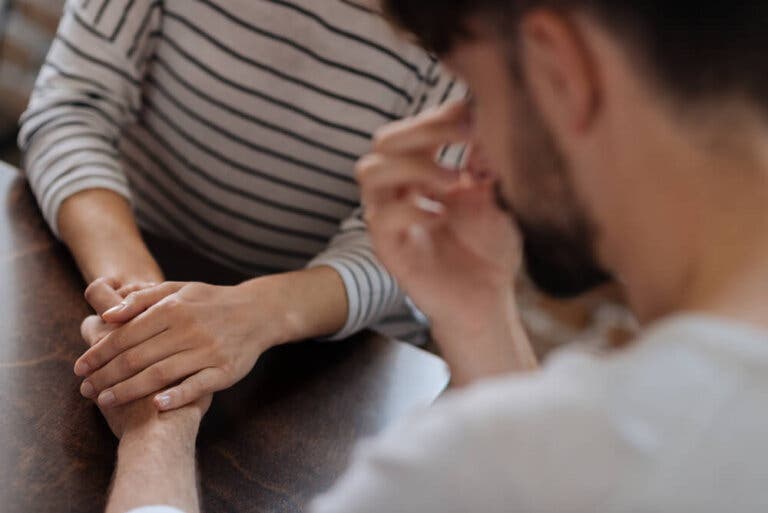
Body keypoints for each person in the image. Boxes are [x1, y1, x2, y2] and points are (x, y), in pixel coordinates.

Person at [95, 0, 768, 512]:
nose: (474, 145)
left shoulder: (468, 467)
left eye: (473, 93)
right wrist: (480, 317)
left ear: (561, 72)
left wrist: (159, 426)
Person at [18, 0, 463, 411]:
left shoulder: (465, 22)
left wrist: (258, 313)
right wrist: (138, 298)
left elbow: (406, 237)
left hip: (332, 348)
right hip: (125, 263)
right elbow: (70, 111)